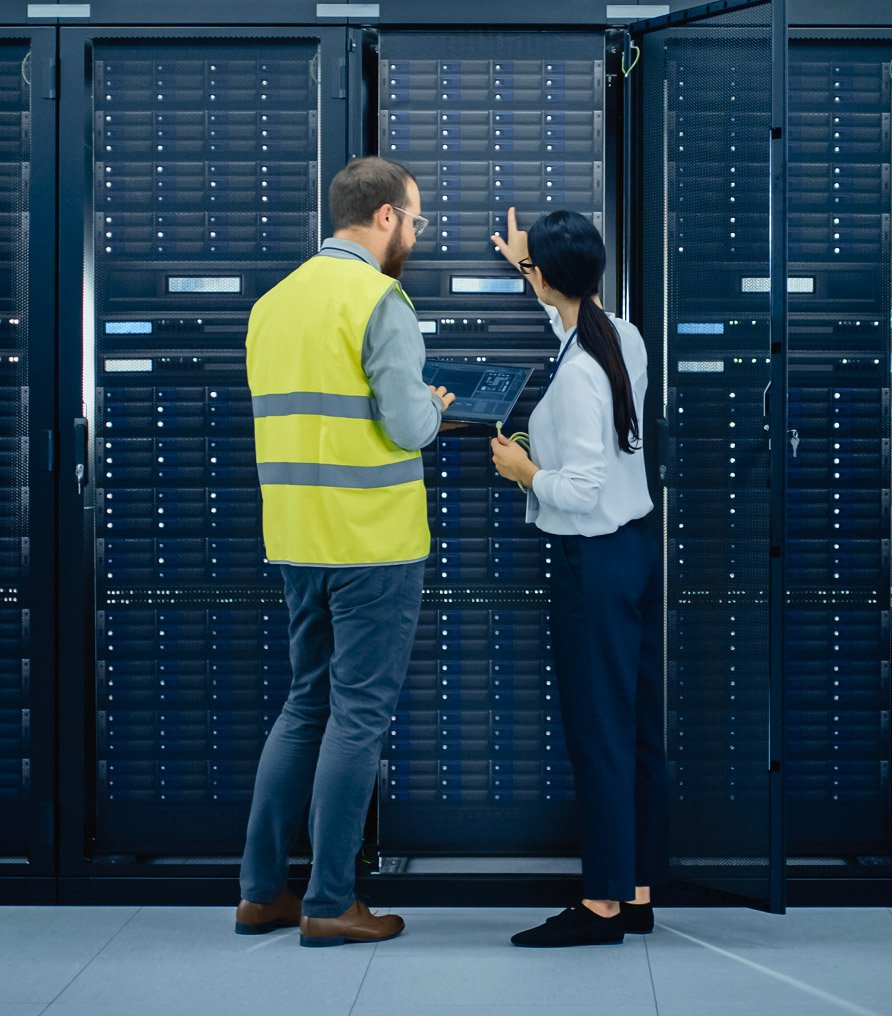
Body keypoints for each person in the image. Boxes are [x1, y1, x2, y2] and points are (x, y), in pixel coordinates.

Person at [236, 156, 454, 948]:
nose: (416, 237)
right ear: (387, 215)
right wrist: (433, 408)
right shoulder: (378, 299)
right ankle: (330, 901)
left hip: (296, 537)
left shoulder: (274, 303)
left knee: (304, 706)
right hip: (372, 541)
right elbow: (404, 427)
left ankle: (262, 893)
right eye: (417, 221)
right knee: (358, 716)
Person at [490, 207, 669, 948]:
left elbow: (584, 489)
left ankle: (600, 909)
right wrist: (528, 265)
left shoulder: (580, 373)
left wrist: (525, 470)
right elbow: (567, 324)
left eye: (531, 268)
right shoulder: (617, 333)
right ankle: (636, 890)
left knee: (597, 735)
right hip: (635, 553)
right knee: (636, 731)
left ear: (547, 277)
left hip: (592, 560)